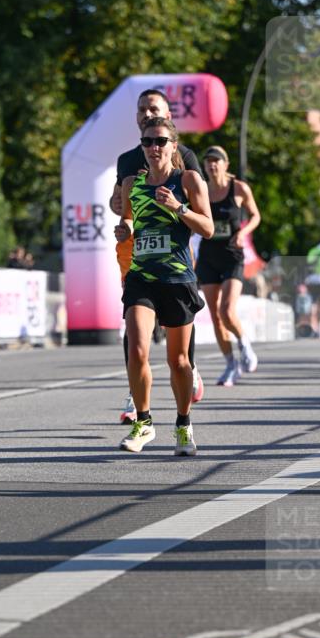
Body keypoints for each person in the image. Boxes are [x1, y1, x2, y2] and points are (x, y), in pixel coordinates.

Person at [115, 117, 213, 455]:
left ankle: (183, 424)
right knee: (137, 348)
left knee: (180, 362)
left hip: (177, 279)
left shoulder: (187, 179)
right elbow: (129, 218)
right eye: (147, 142)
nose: (153, 147)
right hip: (142, 275)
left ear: (173, 146)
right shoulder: (132, 183)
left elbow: (208, 228)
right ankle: (143, 422)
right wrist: (125, 229)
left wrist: (178, 206)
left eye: (160, 141)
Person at [196, 145, 260, 384]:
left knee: (226, 309)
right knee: (215, 315)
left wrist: (244, 233)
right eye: (208, 161)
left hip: (232, 255)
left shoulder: (239, 188)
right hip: (208, 255)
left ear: (225, 164)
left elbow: (255, 215)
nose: (212, 165)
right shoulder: (200, 189)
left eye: (216, 161)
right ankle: (230, 364)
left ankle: (244, 344)